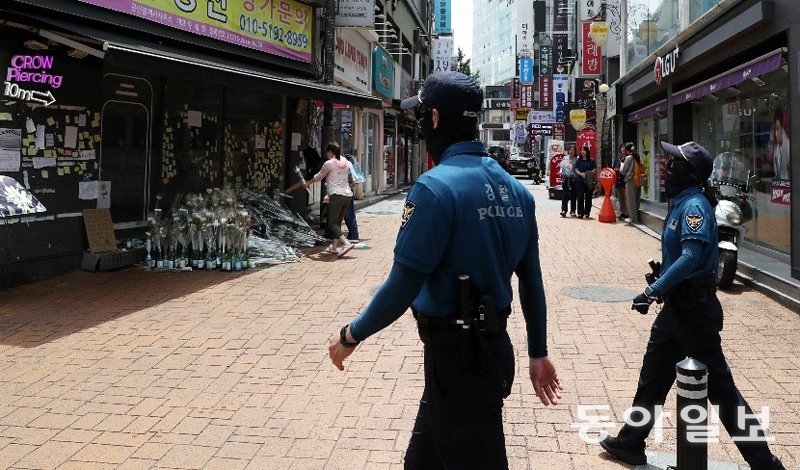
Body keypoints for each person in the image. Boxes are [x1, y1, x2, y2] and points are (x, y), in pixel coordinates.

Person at [327, 71, 562, 469]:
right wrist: (537, 351)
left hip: (458, 361)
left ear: (434, 119)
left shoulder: (435, 189)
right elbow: (532, 282)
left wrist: (352, 334)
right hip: (483, 350)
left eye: (421, 118)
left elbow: (402, 286)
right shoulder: (517, 192)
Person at [600, 141, 785, 470]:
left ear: (688, 172)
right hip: (676, 309)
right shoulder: (682, 202)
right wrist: (663, 277)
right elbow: (681, 257)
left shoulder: (695, 207)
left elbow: (692, 257)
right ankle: (631, 441)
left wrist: (653, 289)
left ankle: (765, 463)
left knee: (722, 392)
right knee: (654, 375)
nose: (667, 167)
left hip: (694, 311)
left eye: (674, 163)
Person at [287, 142, 355, 257]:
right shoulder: (346, 161)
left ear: (330, 152)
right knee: (337, 222)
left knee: (332, 223)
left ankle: (346, 243)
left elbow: (318, 176)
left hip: (337, 195)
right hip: (348, 195)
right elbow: (353, 177)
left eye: (327, 152)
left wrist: (308, 183)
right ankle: (334, 247)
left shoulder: (329, 163)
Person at [621, 142, 641, 223]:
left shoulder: (629, 158)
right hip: (638, 180)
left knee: (630, 200)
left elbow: (623, 171)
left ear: (627, 150)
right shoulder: (637, 157)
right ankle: (636, 217)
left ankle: (633, 219)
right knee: (636, 200)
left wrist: (621, 165)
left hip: (630, 180)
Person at [574, 146, 597, 219]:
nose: (582, 152)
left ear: (587, 151)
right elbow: (576, 169)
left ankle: (587, 213)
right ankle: (580, 213)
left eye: (583, 150)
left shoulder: (591, 160)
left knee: (588, 197)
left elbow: (595, 170)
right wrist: (581, 174)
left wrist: (587, 173)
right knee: (580, 196)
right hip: (580, 180)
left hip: (589, 180)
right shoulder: (578, 160)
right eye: (581, 150)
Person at [769, 108, 790, 180]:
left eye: (777, 128)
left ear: (784, 129)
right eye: (774, 129)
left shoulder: (789, 147)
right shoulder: (777, 147)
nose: (775, 133)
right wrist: (771, 143)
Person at [559, 145, 578, 217]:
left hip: (573, 179)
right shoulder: (565, 158)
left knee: (573, 195)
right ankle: (564, 210)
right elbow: (562, 167)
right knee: (565, 195)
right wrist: (561, 173)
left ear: (575, 151)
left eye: (573, 150)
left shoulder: (577, 159)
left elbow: (577, 169)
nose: (571, 152)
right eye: (570, 150)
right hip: (566, 179)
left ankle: (573, 211)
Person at [613, 144, 629, 220]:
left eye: (624, 148)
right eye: (621, 147)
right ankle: (622, 212)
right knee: (620, 197)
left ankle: (627, 212)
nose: (623, 149)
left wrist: (620, 170)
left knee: (626, 197)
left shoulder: (628, 158)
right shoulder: (617, 159)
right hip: (618, 180)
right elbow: (613, 168)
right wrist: (615, 170)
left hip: (625, 180)